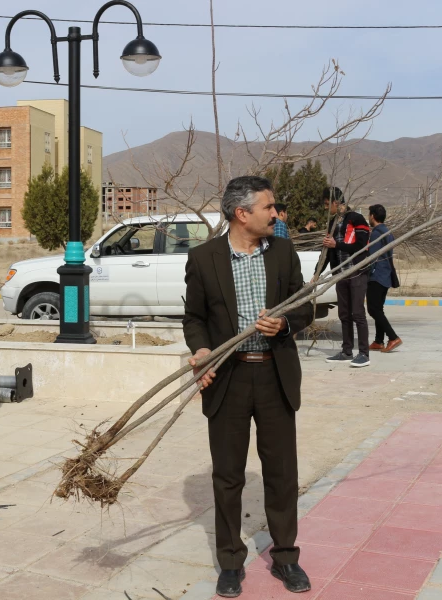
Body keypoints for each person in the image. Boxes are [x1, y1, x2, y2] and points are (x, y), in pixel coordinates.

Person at [183, 176, 313, 598]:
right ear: (242, 214)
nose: (276, 214)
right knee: (227, 476)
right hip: (228, 377)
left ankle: (287, 557)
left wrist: (285, 324)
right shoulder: (204, 258)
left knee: (281, 473)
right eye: (268, 207)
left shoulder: (283, 252)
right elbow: (195, 318)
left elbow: (305, 305)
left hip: (275, 376)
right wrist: (202, 351)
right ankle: (230, 561)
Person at [320, 187, 372, 367]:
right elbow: (327, 252)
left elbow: (361, 245)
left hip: (356, 272)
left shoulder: (356, 219)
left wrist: (337, 244)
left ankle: (364, 353)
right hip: (340, 274)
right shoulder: (332, 223)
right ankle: (346, 350)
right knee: (344, 314)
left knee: (358, 313)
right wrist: (316, 275)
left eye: (328, 204)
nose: (327, 208)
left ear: (336, 202)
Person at [367, 204, 402, 352]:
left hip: (377, 276)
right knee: (378, 308)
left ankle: (393, 337)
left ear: (373, 216)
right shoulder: (388, 232)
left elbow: (372, 257)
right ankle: (378, 341)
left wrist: (367, 273)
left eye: (369, 214)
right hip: (386, 275)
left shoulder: (376, 233)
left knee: (373, 309)